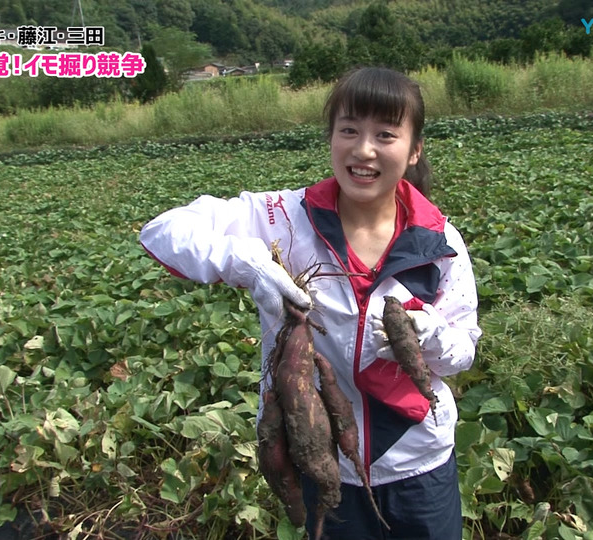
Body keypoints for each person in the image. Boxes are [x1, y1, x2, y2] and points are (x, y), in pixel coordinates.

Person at [139, 67, 481, 540]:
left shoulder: (439, 242)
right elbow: (163, 231)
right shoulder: (284, 218)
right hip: (325, 461)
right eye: (349, 130)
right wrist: (245, 263)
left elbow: (463, 351)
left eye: (385, 135)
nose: (364, 150)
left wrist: (432, 338)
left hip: (422, 462)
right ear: (331, 138)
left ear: (414, 149)